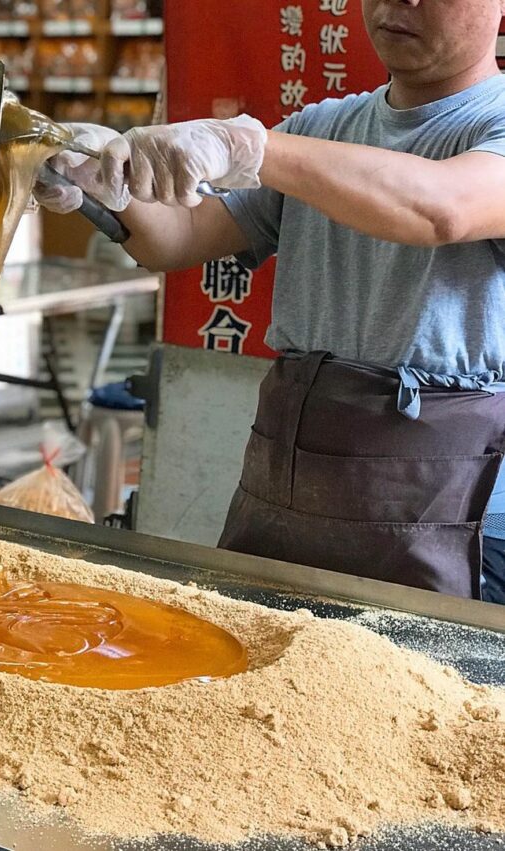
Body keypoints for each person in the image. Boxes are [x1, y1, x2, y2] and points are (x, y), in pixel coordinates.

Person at [35, 0, 505, 603]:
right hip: (291, 485)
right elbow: (183, 237)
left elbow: (441, 206)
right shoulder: (321, 127)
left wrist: (248, 148)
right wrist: (101, 187)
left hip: (455, 518)